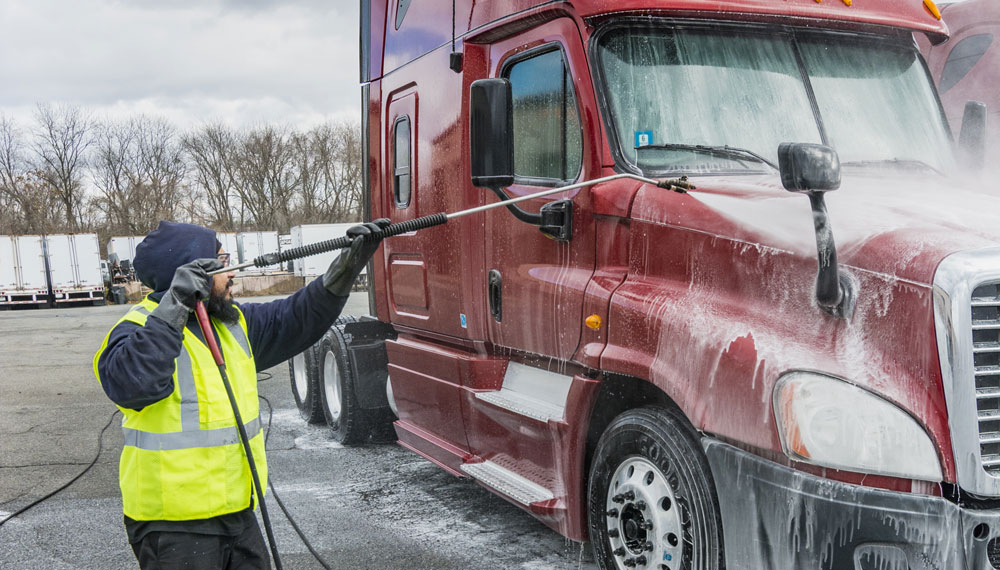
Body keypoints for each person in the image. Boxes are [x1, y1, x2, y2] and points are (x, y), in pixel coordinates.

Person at [93, 219, 389, 569]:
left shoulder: (233, 325)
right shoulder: (135, 330)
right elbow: (134, 384)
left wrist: (345, 268)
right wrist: (175, 305)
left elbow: (297, 316)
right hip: (173, 525)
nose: (231, 273)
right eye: (221, 263)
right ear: (189, 273)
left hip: (237, 513)